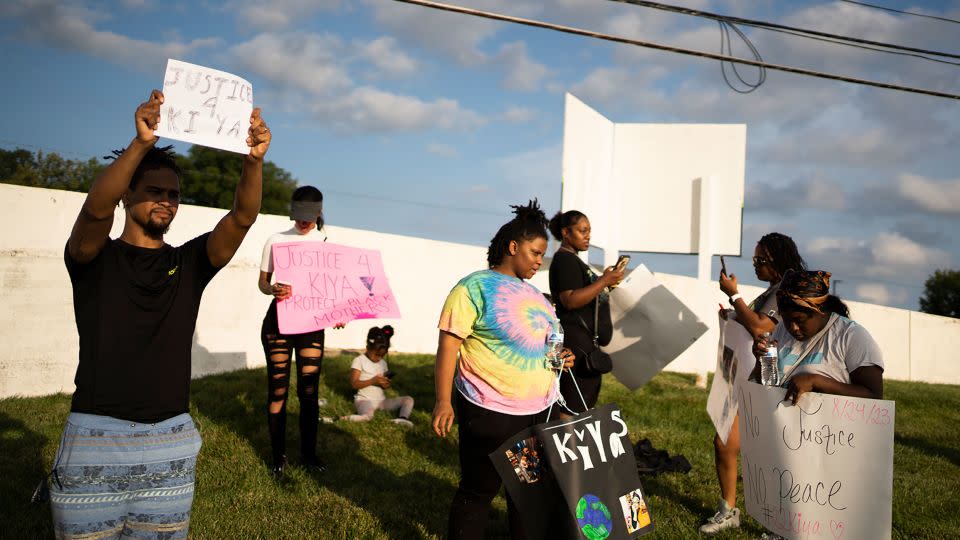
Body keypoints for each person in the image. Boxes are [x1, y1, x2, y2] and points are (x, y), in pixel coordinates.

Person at [50, 90, 270, 539]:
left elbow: (243, 217)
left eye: (173, 194)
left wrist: (253, 161)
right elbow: (94, 209)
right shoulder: (93, 257)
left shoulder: (191, 263)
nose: (167, 200)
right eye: (154, 191)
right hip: (95, 435)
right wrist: (140, 146)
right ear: (127, 194)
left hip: (171, 436)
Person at [433, 200, 574, 539]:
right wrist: (442, 400)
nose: (540, 262)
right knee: (478, 491)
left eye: (543, 254)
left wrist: (562, 357)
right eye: (535, 253)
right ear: (513, 247)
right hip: (489, 412)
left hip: (535, 415)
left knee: (526, 495)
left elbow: (547, 345)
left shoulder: (538, 297)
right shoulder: (473, 287)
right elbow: (449, 345)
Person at [701, 232, 807, 535]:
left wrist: (734, 295)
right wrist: (734, 315)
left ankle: (781, 522)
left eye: (759, 260)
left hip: (777, 382)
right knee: (724, 442)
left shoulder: (788, 287)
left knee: (772, 455)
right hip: (753, 378)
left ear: (774, 259)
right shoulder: (773, 289)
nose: (755, 266)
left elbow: (762, 327)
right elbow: (757, 321)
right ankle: (728, 510)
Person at [258, 185, 332, 475]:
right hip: (278, 322)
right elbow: (263, 282)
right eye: (299, 215)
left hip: (312, 324)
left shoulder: (325, 242)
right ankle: (278, 458)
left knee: (309, 391)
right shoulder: (275, 240)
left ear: (319, 213)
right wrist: (272, 289)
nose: (304, 222)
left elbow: (332, 288)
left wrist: (339, 312)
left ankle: (309, 456)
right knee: (277, 390)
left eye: (310, 216)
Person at [758, 269, 883, 406]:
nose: (793, 327)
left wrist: (817, 382)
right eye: (786, 319)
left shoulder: (852, 336)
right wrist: (761, 362)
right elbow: (768, 384)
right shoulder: (781, 329)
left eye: (799, 320)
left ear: (821, 310)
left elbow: (874, 396)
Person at [547, 210, 623, 414]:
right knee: (571, 408)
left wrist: (604, 282)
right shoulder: (564, 260)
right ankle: (566, 444)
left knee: (582, 407)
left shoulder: (575, 260)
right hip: (575, 344)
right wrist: (603, 281)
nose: (587, 235)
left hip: (586, 345)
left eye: (589, 231)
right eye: (582, 231)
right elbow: (569, 300)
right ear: (565, 232)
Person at [341, 325, 414, 426]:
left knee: (408, 399)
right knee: (367, 417)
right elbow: (354, 384)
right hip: (364, 400)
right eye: (376, 354)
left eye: (382, 355)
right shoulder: (359, 361)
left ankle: (402, 419)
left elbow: (384, 386)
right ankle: (342, 419)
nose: (379, 358)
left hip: (381, 401)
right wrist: (373, 381)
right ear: (367, 348)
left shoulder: (383, 363)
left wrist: (385, 384)